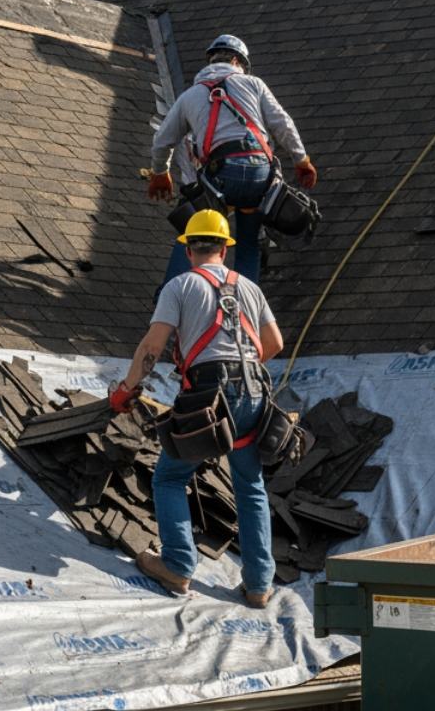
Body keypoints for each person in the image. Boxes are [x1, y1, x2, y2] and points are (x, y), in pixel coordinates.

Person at [110, 209, 283, 606]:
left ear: (189, 248)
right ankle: (258, 585)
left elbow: (153, 347)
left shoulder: (180, 286)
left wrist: (126, 389)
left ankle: (177, 566)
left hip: (208, 395)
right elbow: (274, 344)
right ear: (225, 249)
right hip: (253, 395)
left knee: (169, 478)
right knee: (250, 486)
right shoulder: (250, 288)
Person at [147, 34, 316, 285]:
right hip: (260, 176)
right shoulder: (254, 84)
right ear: (237, 61)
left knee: (196, 233)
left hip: (222, 177)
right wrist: (302, 161)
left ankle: (170, 302)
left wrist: (160, 172)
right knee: (249, 240)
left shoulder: (190, 97)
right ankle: (245, 304)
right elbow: (283, 124)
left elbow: (163, 140)